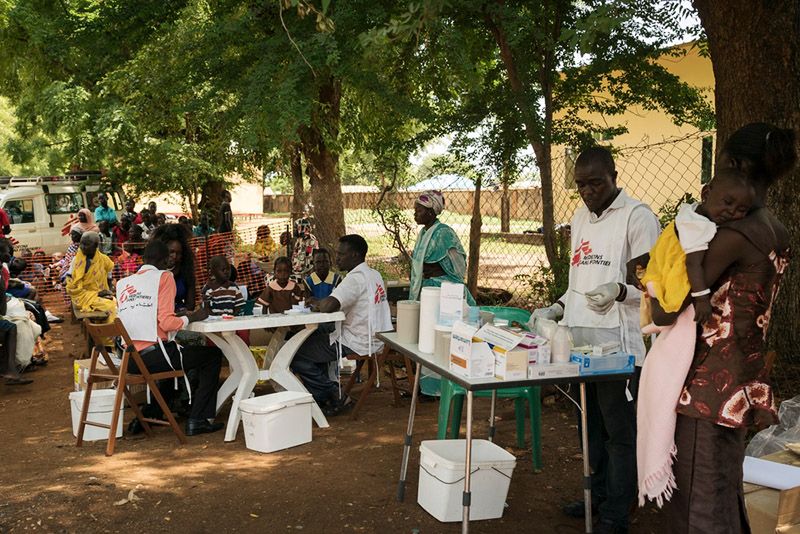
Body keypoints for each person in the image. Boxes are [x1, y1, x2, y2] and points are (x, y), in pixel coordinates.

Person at [659, 123, 796, 533]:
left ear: (734, 164)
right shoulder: (776, 229)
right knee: (723, 487)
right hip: (741, 377)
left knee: (698, 497)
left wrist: (646, 277)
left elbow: (668, 308)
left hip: (706, 386)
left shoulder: (733, 234)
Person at [532, 147, 660, 534]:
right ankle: (599, 495)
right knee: (589, 427)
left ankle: (617, 513)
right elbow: (578, 283)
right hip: (580, 343)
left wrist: (620, 290)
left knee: (619, 433)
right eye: (581, 184)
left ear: (614, 176)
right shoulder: (580, 218)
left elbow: (654, 287)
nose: (587, 191)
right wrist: (556, 307)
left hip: (618, 347)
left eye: (595, 183)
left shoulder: (637, 217)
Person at [116, 239, 223, 436]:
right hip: (155, 356)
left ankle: (153, 412)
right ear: (166, 261)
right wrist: (192, 317)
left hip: (129, 360)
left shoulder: (123, 283)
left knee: (174, 358)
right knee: (213, 355)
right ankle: (198, 419)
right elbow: (166, 323)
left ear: (144, 259)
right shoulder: (164, 277)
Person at [292, 235, 392, 416]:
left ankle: (335, 394)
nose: (336, 258)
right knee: (313, 339)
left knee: (296, 353)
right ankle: (326, 396)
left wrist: (316, 302)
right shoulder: (373, 274)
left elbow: (329, 306)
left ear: (354, 255)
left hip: (357, 340)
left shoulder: (354, 279)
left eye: (341, 254)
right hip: (376, 337)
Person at [409, 190, 475, 305]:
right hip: (427, 284)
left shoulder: (443, 233)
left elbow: (458, 267)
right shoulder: (424, 233)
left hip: (442, 285)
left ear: (430, 212)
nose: (415, 214)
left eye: (419, 211)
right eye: (415, 211)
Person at [65, 231, 117, 322]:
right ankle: (106, 334)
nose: (83, 247)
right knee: (111, 307)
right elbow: (71, 286)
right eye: (82, 244)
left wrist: (108, 291)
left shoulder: (104, 260)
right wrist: (96, 294)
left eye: (87, 244)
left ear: (96, 245)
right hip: (82, 298)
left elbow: (109, 278)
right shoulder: (76, 261)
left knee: (117, 303)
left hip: (101, 295)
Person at [150, 223, 197, 312]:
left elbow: (190, 305)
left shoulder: (186, 271)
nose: (174, 256)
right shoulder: (150, 270)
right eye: (171, 252)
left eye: (178, 253)